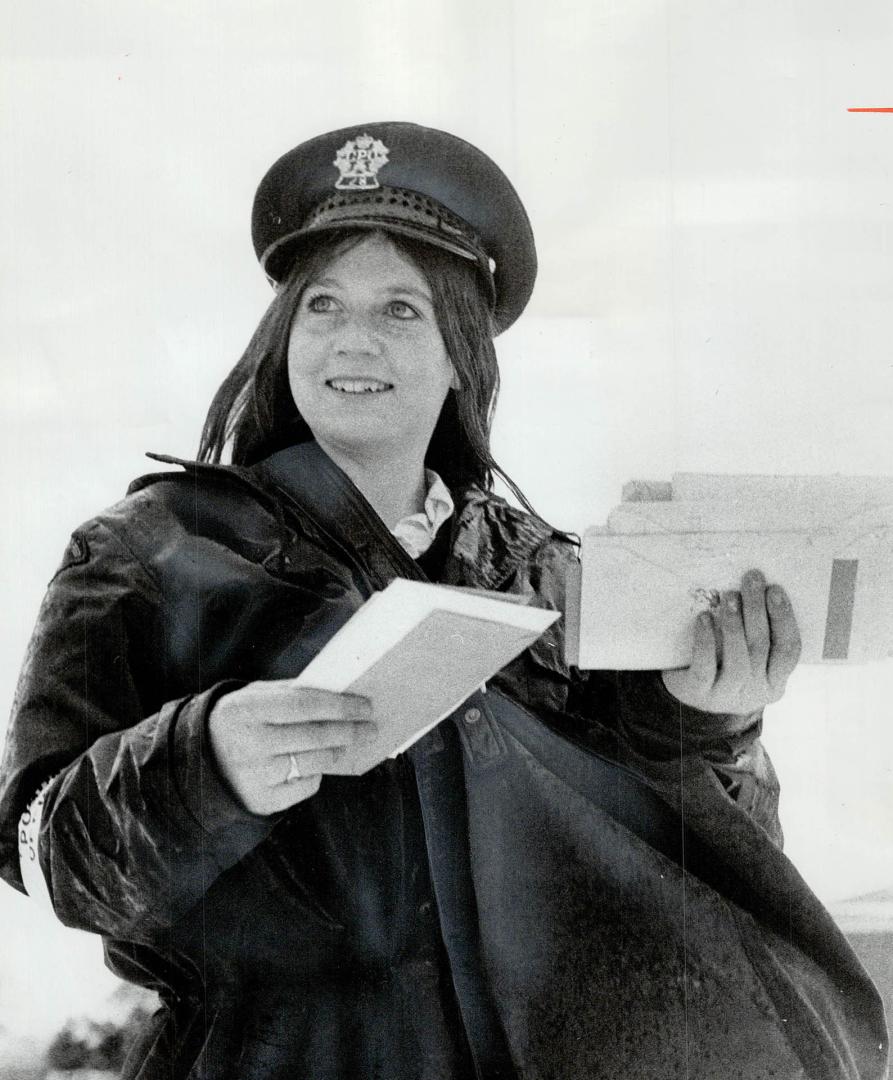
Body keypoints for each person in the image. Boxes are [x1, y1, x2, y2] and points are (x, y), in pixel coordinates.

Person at [0, 122, 886, 1080]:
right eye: (323, 305)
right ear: (283, 333)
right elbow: (39, 852)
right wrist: (202, 763)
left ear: (464, 352)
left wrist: (713, 721)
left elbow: (708, 875)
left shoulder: (557, 575)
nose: (351, 338)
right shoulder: (149, 549)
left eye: (401, 311)